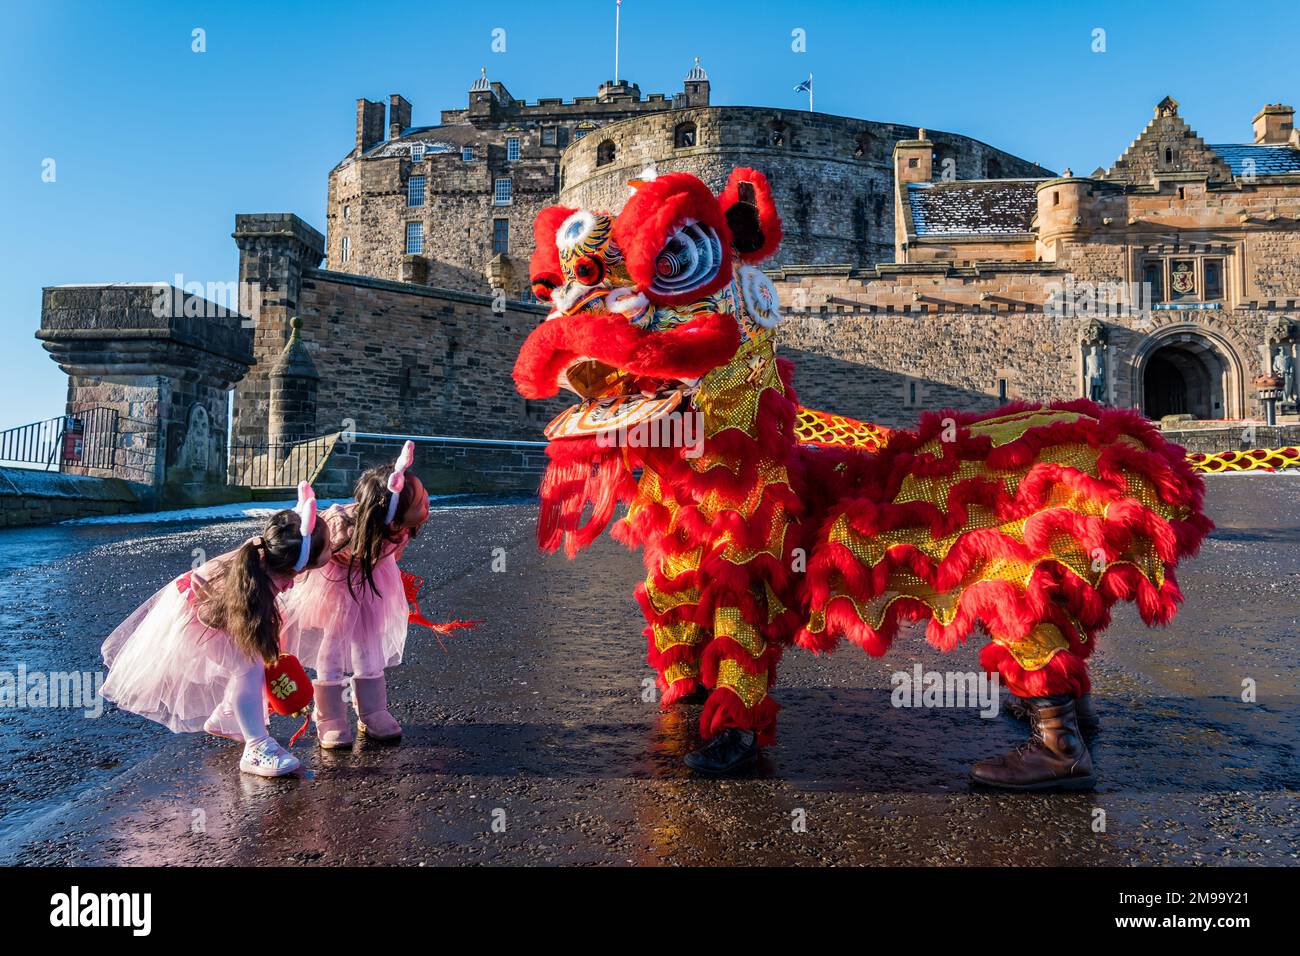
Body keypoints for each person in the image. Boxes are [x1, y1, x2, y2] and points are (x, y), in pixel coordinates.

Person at [101, 483, 329, 777]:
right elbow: (231, 615)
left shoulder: (266, 560)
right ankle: (256, 747)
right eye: (328, 547)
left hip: (217, 609)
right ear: (296, 562)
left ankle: (228, 717)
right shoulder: (251, 580)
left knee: (251, 663)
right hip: (205, 616)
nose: (293, 584)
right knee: (248, 668)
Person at [280, 441, 430, 748]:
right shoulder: (343, 527)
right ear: (393, 511)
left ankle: (373, 710)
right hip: (336, 585)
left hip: (372, 582)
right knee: (332, 646)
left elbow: (391, 555)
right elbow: (315, 550)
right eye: (421, 502)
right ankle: (330, 715)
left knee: (369, 641)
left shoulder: (398, 529)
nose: (428, 504)